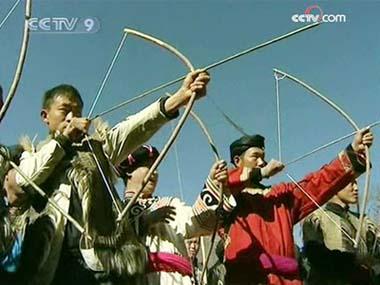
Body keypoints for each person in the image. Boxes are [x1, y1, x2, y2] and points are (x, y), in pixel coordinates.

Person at [11, 70, 210, 284]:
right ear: (45, 116)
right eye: (65, 110)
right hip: (53, 265)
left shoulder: (97, 149)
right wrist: (63, 139)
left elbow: (134, 128)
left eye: (77, 111)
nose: (72, 117)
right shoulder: (31, 155)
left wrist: (178, 98)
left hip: (104, 262)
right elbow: (26, 179)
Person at [221, 130, 373, 285]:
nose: (262, 162)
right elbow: (223, 183)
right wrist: (261, 173)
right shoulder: (229, 197)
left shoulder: (280, 196)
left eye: (263, 157)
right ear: (237, 161)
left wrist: (354, 151)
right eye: (255, 156)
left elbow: (318, 184)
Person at [118, 144, 235, 285]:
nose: (154, 172)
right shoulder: (117, 209)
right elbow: (109, 245)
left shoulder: (168, 203)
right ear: (129, 171)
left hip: (180, 279)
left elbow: (195, 223)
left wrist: (214, 183)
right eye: (148, 167)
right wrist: (145, 221)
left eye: (156, 167)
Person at [302, 180, 380, 284]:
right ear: (335, 186)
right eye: (351, 183)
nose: (356, 188)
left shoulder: (363, 221)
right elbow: (316, 257)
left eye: (356, 183)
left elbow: (376, 254)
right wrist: (353, 261)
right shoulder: (316, 218)